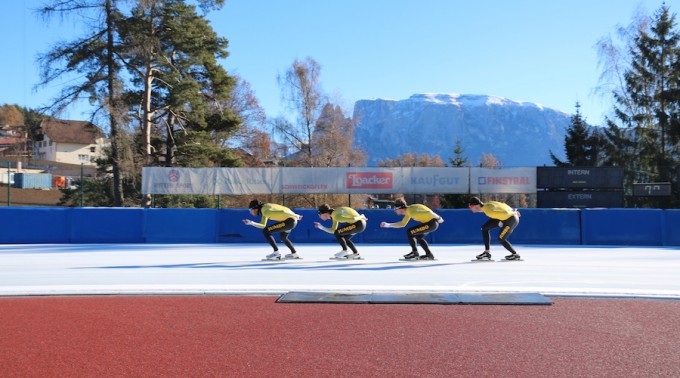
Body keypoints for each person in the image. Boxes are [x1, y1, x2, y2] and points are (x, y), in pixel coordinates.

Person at [380, 198, 444, 260]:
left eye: (395, 209)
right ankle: (429, 255)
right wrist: (389, 225)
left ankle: (415, 253)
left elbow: (429, 213)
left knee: (410, 232)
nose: (394, 211)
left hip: (431, 224)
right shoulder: (409, 210)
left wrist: (439, 218)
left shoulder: (412, 212)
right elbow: (402, 224)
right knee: (418, 237)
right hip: (431, 224)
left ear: (400, 208)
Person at [468, 196, 521, 261]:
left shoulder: (489, 211)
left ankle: (515, 255)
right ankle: (487, 253)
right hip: (509, 216)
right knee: (484, 228)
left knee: (501, 239)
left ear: (477, 205)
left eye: (471, 207)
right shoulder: (487, 205)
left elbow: (504, 213)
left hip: (511, 219)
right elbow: (502, 205)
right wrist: (513, 210)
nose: (470, 209)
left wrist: (513, 213)